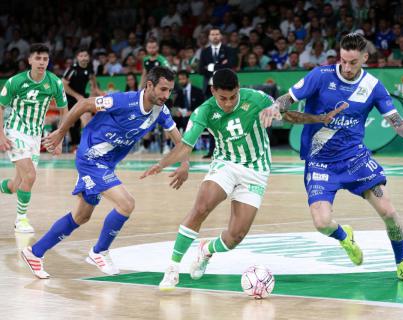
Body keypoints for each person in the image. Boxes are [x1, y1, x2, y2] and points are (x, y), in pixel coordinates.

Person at [141, 69, 343, 290]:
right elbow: (185, 146)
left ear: (238, 89)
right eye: (222, 98)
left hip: (256, 169)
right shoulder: (204, 111)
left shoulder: (256, 99)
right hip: (225, 164)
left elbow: (289, 115)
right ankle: (172, 268)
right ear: (212, 91)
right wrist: (162, 164)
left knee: (235, 236)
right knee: (201, 207)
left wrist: (320, 119)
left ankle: (206, 250)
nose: (228, 103)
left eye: (233, 97)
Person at [262, 33, 403, 283]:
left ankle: (402, 263)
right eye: (343, 60)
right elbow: (287, 99)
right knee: (322, 223)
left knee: (389, 211)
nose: (346, 67)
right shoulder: (320, 76)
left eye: (353, 62)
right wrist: (275, 107)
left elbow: (397, 123)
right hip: (320, 160)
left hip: (355, 159)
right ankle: (345, 237)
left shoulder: (373, 86)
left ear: (365, 57)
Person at [21, 67, 189, 279]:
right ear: (149, 85)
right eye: (163, 89)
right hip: (91, 158)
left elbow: (179, 141)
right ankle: (99, 251)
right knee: (126, 203)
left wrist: (184, 164)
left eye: (169, 90)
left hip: (106, 163)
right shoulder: (122, 101)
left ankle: (34, 252)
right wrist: (61, 132)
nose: (166, 95)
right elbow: (83, 104)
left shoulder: (161, 111)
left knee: (81, 216)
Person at [0, 43, 68, 233]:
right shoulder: (15, 81)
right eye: (37, 58)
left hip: (35, 136)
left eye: (45, 59)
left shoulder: (54, 82)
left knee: (16, 185)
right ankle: (21, 220)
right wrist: (1, 135)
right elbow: (1, 106)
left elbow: (64, 110)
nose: (41, 62)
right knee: (30, 175)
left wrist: (60, 139)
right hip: (15, 131)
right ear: (29, 60)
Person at [198, 28, 236, 158]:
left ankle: (231, 149)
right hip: (210, 90)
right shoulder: (204, 52)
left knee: (229, 118)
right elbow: (200, 69)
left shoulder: (229, 50)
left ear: (221, 36)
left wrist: (212, 67)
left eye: (217, 34)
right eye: (212, 34)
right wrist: (220, 65)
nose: (215, 36)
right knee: (212, 119)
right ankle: (212, 150)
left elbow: (231, 65)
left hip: (226, 90)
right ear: (209, 37)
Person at [62, 47, 102, 152]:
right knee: (72, 123)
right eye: (81, 56)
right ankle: (74, 146)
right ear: (77, 58)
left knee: (87, 118)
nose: (83, 58)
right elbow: (63, 85)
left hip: (83, 98)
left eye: (85, 56)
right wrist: (76, 96)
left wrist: (98, 94)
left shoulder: (90, 69)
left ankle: (90, 144)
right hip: (70, 99)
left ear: (88, 57)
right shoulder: (72, 69)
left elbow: (94, 86)